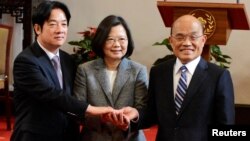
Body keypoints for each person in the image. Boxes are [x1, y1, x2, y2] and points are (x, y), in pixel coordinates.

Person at [117, 14, 235, 141]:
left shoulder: (218, 76)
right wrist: (135, 115)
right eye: (180, 37)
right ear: (171, 41)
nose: (186, 43)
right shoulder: (159, 72)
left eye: (193, 37)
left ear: (203, 40)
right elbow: (151, 114)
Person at [10, 1, 112, 141]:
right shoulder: (26, 61)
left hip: (67, 135)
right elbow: (52, 95)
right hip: (36, 136)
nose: (60, 29)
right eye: (53, 24)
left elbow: (74, 95)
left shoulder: (67, 60)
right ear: (37, 28)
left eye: (64, 24)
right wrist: (92, 109)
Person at [73, 15, 148, 141]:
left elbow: (142, 109)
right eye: (110, 39)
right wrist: (100, 118)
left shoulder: (138, 70)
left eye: (122, 39)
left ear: (128, 41)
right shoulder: (85, 70)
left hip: (130, 138)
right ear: (101, 41)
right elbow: (78, 110)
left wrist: (128, 121)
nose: (117, 44)